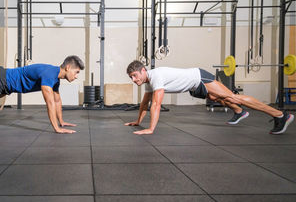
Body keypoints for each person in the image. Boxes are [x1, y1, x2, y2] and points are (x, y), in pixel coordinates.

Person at [124, 60, 294, 135]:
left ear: (143, 70)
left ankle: (281, 115)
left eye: (134, 75)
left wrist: (151, 129)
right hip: (194, 86)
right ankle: (239, 113)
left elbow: (155, 104)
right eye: (131, 77)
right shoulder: (148, 81)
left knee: (234, 98)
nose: (133, 79)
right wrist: (138, 122)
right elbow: (144, 103)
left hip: (199, 77)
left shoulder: (156, 76)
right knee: (222, 99)